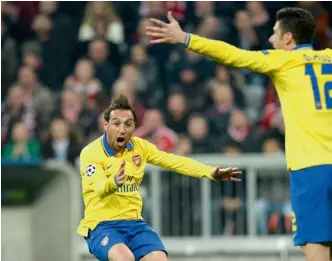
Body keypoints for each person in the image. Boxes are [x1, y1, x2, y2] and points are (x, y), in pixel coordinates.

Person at [145, 8, 332, 261]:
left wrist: (185, 38)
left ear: (288, 38)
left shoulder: (282, 60)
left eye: (274, 33)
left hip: (312, 170)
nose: (270, 39)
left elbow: (232, 54)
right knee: (329, 253)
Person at [78, 95, 241, 261]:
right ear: (106, 125)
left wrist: (210, 172)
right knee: (124, 258)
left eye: (128, 124)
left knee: (159, 259)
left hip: (134, 223)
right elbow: (97, 187)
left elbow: (174, 161)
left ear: (134, 126)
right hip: (101, 225)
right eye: (116, 123)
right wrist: (113, 183)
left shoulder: (140, 147)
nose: (122, 129)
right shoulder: (91, 153)